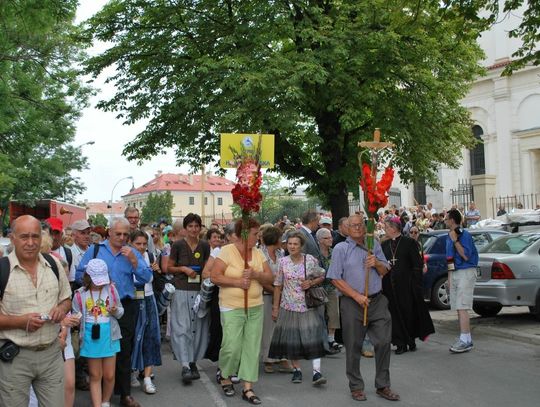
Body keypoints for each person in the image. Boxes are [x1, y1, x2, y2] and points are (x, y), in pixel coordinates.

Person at [76, 217, 152, 407]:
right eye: (118, 233)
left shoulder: (132, 252)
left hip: (125, 306)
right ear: (109, 232)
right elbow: (79, 275)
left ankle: (125, 394)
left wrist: (135, 261)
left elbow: (147, 277)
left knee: (124, 350)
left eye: (126, 234)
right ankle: (101, 396)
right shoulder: (95, 250)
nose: (122, 237)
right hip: (97, 307)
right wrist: (99, 284)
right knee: (100, 350)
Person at [0, 215, 72, 406]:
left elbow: (66, 299)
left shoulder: (54, 265)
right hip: (16, 359)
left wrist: (61, 309)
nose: (31, 243)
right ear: (12, 238)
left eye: (35, 236)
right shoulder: (2, 270)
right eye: (24, 237)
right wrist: (20, 322)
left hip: (51, 354)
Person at [327, 214, 400, 402]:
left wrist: (376, 263)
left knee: (383, 342)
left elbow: (385, 270)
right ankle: (356, 386)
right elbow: (335, 278)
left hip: (376, 300)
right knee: (353, 345)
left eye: (360, 225)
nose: (358, 228)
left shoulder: (373, 244)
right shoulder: (340, 249)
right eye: (353, 225)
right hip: (352, 303)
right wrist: (357, 296)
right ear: (346, 228)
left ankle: (383, 385)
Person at [211, 218, 273, 405]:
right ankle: (225, 375)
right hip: (231, 306)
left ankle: (248, 387)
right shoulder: (226, 251)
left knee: (251, 347)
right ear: (244, 234)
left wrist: (256, 275)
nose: (258, 238)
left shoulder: (258, 252)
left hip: (255, 305)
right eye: (255, 234)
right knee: (231, 346)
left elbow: (271, 276)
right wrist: (237, 282)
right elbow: (215, 276)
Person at [269, 231, 328, 386]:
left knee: (312, 337)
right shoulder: (283, 262)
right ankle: (297, 370)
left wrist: (311, 283)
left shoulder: (310, 260)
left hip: (307, 305)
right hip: (288, 305)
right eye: (290, 244)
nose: (292, 246)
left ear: (302, 246)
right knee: (292, 339)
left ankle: (317, 372)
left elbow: (322, 275)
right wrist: (275, 308)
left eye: (295, 244)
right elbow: (277, 285)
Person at [166, 213, 210, 384]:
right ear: (185, 229)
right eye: (190, 226)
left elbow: (207, 267)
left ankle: (193, 361)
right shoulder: (177, 245)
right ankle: (184, 365)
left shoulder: (205, 246)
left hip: (199, 291)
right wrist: (183, 269)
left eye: (196, 226)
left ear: (200, 228)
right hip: (181, 290)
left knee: (197, 328)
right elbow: (169, 268)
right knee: (182, 327)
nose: (193, 229)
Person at [73, 259, 124, 407]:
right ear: (88, 277)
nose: (100, 283)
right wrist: (75, 319)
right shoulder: (80, 295)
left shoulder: (112, 290)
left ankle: (105, 401)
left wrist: (115, 311)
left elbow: (121, 312)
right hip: (90, 335)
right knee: (95, 375)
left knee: (109, 375)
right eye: (96, 280)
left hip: (110, 334)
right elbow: (76, 315)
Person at [381, 218, 434, 354]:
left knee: (408, 313)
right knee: (394, 314)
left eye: (386, 227)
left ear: (394, 228)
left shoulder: (409, 242)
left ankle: (410, 340)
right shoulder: (384, 245)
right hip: (389, 286)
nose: (385, 229)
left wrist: (415, 285)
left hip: (407, 286)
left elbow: (417, 265)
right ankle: (400, 343)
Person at [129, 231, 162, 394]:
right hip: (132, 300)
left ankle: (147, 377)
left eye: (144, 243)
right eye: (138, 244)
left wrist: (155, 270)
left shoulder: (149, 255)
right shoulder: (125, 256)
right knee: (133, 337)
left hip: (148, 298)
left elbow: (151, 279)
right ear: (131, 243)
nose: (141, 247)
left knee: (151, 336)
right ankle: (131, 372)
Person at [445, 209, 478, 353]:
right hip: (456, 272)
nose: (445, 221)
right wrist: (450, 278)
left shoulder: (464, 235)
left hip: (466, 271)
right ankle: (465, 338)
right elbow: (450, 259)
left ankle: (465, 340)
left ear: (452, 220)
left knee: (462, 306)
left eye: (446, 218)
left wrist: (455, 240)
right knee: (458, 306)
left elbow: (465, 256)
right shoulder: (449, 236)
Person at [258, 226, 290, 374]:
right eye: (280, 237)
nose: (282, 239)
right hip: (265, 294)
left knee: (281, 328)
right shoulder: (260, 254)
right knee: (267, 328)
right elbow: (262, 279)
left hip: (281, 294)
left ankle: (282, 357)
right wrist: (276, 290)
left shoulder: (281, 253)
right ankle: (267, 359)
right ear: (274, 238)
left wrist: (283, 291)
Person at [316, 227, 342, 353]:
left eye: (331, 237)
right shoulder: (315, 255)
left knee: (333, 314)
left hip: (332, 287)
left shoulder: (334, 252)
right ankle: (321, 341)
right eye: (327, 238)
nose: (330, 239)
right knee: (320, 315)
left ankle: (331, 339)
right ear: (320, 240)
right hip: (319, 288)